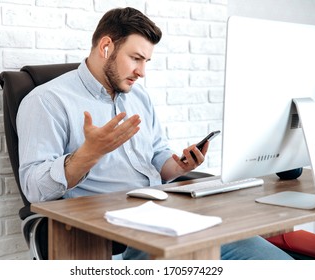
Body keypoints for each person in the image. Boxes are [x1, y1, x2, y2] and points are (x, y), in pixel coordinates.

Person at [16, 7, 293, 260]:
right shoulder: (47, 101)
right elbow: (34, 189)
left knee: (276, 262)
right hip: (111, 235)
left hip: (165, 216)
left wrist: (178, 165)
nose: (142, 71)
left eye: (146, 60)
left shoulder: (138, 97)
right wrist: (88, 154)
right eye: (136, 58)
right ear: (105, 47)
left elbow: (158, 157)